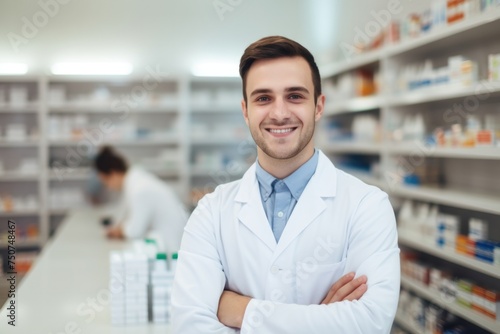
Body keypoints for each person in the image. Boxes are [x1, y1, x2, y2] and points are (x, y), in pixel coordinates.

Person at [171, 36, 400, 333]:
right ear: (246, 111)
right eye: (263, 98)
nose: (279, 113)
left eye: (294, 96)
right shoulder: (211, 213)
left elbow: (369, 323)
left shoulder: (367, 206)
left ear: (318, 106)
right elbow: (189, 325)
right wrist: (320, 319)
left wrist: (242, 311)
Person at [94, 146, 188, 254]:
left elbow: (135, 231)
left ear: (113, 174)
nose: (108, 187)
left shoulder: (139, 189)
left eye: (105, 182)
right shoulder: (135, 181)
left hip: (172, 248)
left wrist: (118, 231)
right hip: (166, 244)